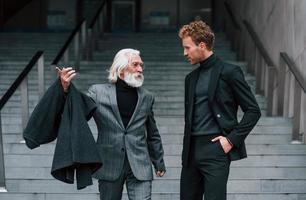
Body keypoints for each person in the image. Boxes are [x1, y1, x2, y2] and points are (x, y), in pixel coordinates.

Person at [56, 48, 166, 200]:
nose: (140, 69)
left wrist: (158, 161)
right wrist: (65, 89)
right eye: (135, 65)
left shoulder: (147, 97)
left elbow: (152, 132)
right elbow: (77, 111)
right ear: (120, 68)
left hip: (140, 164)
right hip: (109, 163)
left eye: (141, 65)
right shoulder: (97, 92)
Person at [178, 20, 261, 200]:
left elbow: (253, 110)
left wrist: (231, 140)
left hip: (215, 148)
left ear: (202, 45)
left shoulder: (229, 72)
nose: (184, 53)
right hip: (191, 151)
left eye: (187, 48)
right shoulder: (190, 78)